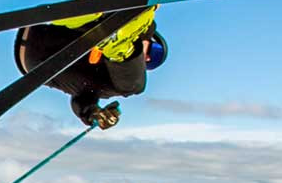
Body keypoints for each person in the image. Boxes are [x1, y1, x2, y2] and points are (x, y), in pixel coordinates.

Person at [12, 10, 169, 128]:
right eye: (154, 51)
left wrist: (93, 113)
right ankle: (110, 38)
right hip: (48, 35)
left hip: (37, 61)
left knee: (119, 83)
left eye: (152, 63)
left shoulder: (105, 80)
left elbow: (81, 99)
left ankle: (92, 24)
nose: (147, 59)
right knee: (136, 87)